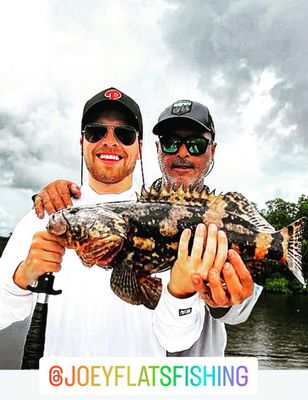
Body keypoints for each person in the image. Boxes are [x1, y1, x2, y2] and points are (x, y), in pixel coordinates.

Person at [0, 87, 246, 360]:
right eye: (96, 132)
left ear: (139, 148)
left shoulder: (167, 226)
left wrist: (181, 293)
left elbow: (177, 339)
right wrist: (20, 278)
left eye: (125, 134)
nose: (110, 142)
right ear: (82, 142)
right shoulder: (47, 213)